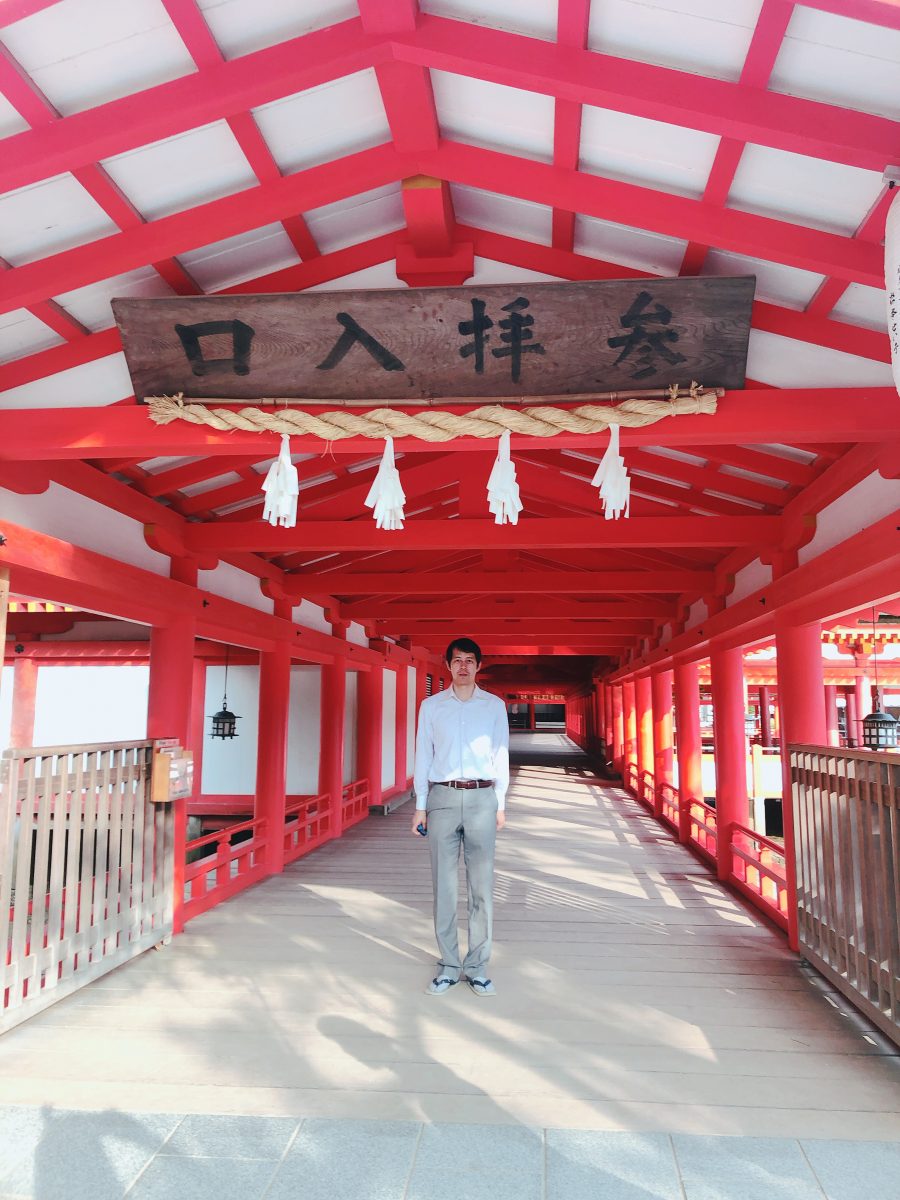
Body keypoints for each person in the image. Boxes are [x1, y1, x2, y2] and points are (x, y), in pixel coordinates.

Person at [412, 637, 509, 997]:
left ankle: (478, 965)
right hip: (443, 796)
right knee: (445, 885)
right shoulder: (432, 707)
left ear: (478, 666)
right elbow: (423, 754)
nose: (464, 667)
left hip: (483, 796)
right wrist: (420, 805)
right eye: (457, 661)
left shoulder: (494, 706)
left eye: (470, 660)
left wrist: (500, 803)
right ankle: (450, 964)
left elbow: (501, 755)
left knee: (482, 886)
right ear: (448, 666)